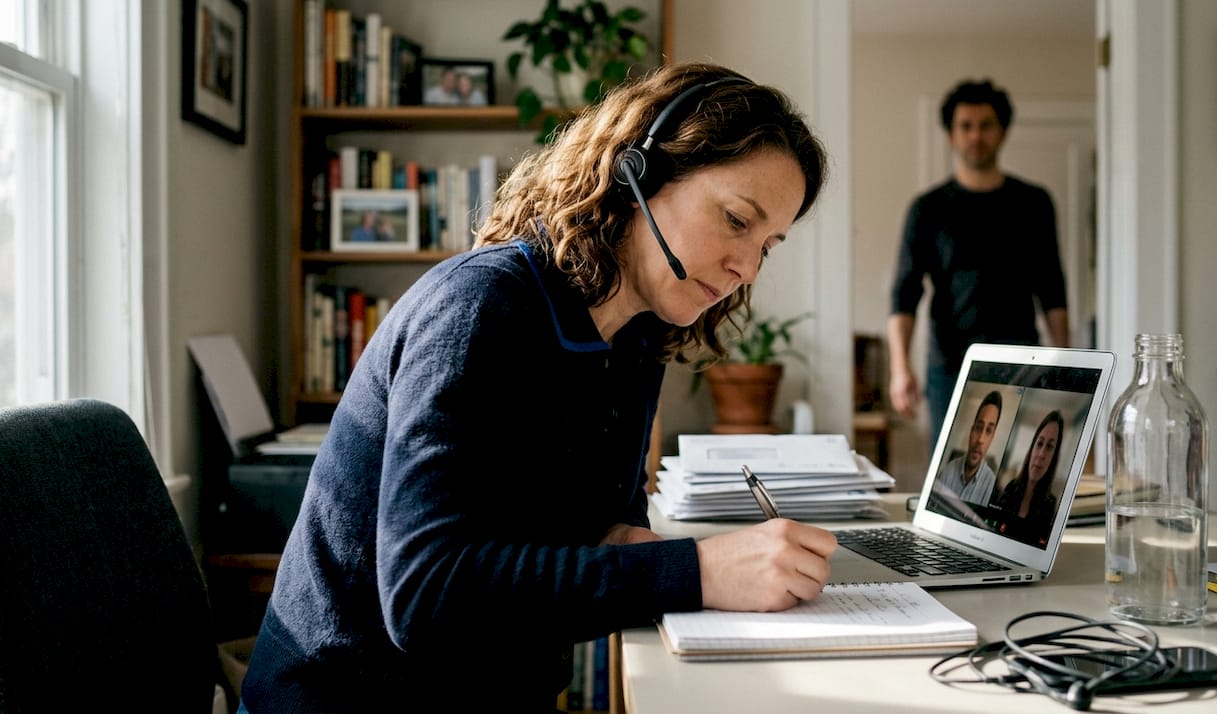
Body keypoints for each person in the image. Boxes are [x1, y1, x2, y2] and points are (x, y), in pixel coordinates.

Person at [238, 61, 831, 712]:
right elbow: (424, 597)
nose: (747, 268)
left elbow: (606, 531)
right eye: (737, 220)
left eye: (767, 245)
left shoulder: (635, 338)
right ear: (638, 173)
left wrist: (701, 562)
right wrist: (697, 571)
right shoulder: (479, 309)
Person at [887, 78, 1069, 448]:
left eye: (986, 125)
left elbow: (1052, 288)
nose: (976, 136)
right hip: (951, 365)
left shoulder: (1034, 203)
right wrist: (900, 368)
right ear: (951, 135)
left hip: (1021, 361)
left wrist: (1065, 363)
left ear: (1002, 131)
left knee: (1016, 465)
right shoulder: (928, 209)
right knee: (950, 471)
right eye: (965, 126)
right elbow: (905, 294)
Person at [993, 410, 1064, 546]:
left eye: (1049, 447)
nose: (1041, 454)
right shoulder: (1011, 488)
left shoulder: (1050, 504)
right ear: (1032, 448)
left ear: (1053, 458)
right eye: (1039, 443)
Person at [936, 389, 1002, 505]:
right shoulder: (947, 471)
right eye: (978, 428)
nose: (980, 440)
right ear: (971, 431)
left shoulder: (992, 487)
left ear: (992, 438)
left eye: (988, 431)